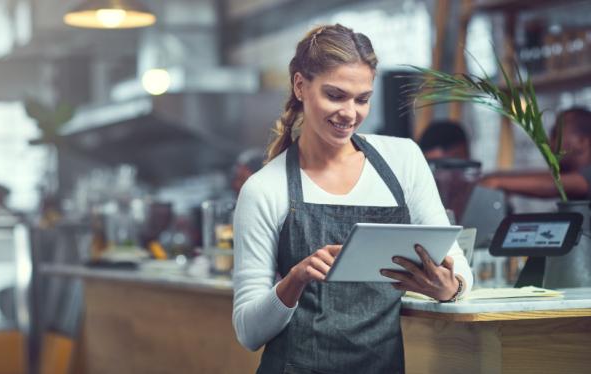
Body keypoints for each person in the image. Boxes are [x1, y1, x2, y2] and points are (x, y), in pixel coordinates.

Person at [232, 24, 473, 373]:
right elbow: (248, 331)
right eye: (335, 95)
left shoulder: (403, 160)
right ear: (300, 86)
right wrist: (295, 280)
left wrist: (451, 287)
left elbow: (457, 263)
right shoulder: (264, 189)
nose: (350, 113)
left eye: (362, 99)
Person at [480, 107, 591, 199]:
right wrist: (492, 177)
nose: (549, 142)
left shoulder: (585, 177)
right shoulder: (571, 175)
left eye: (555, 135)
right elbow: (546, 178)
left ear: (581, 142)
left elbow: (552, 185)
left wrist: (496, 182)